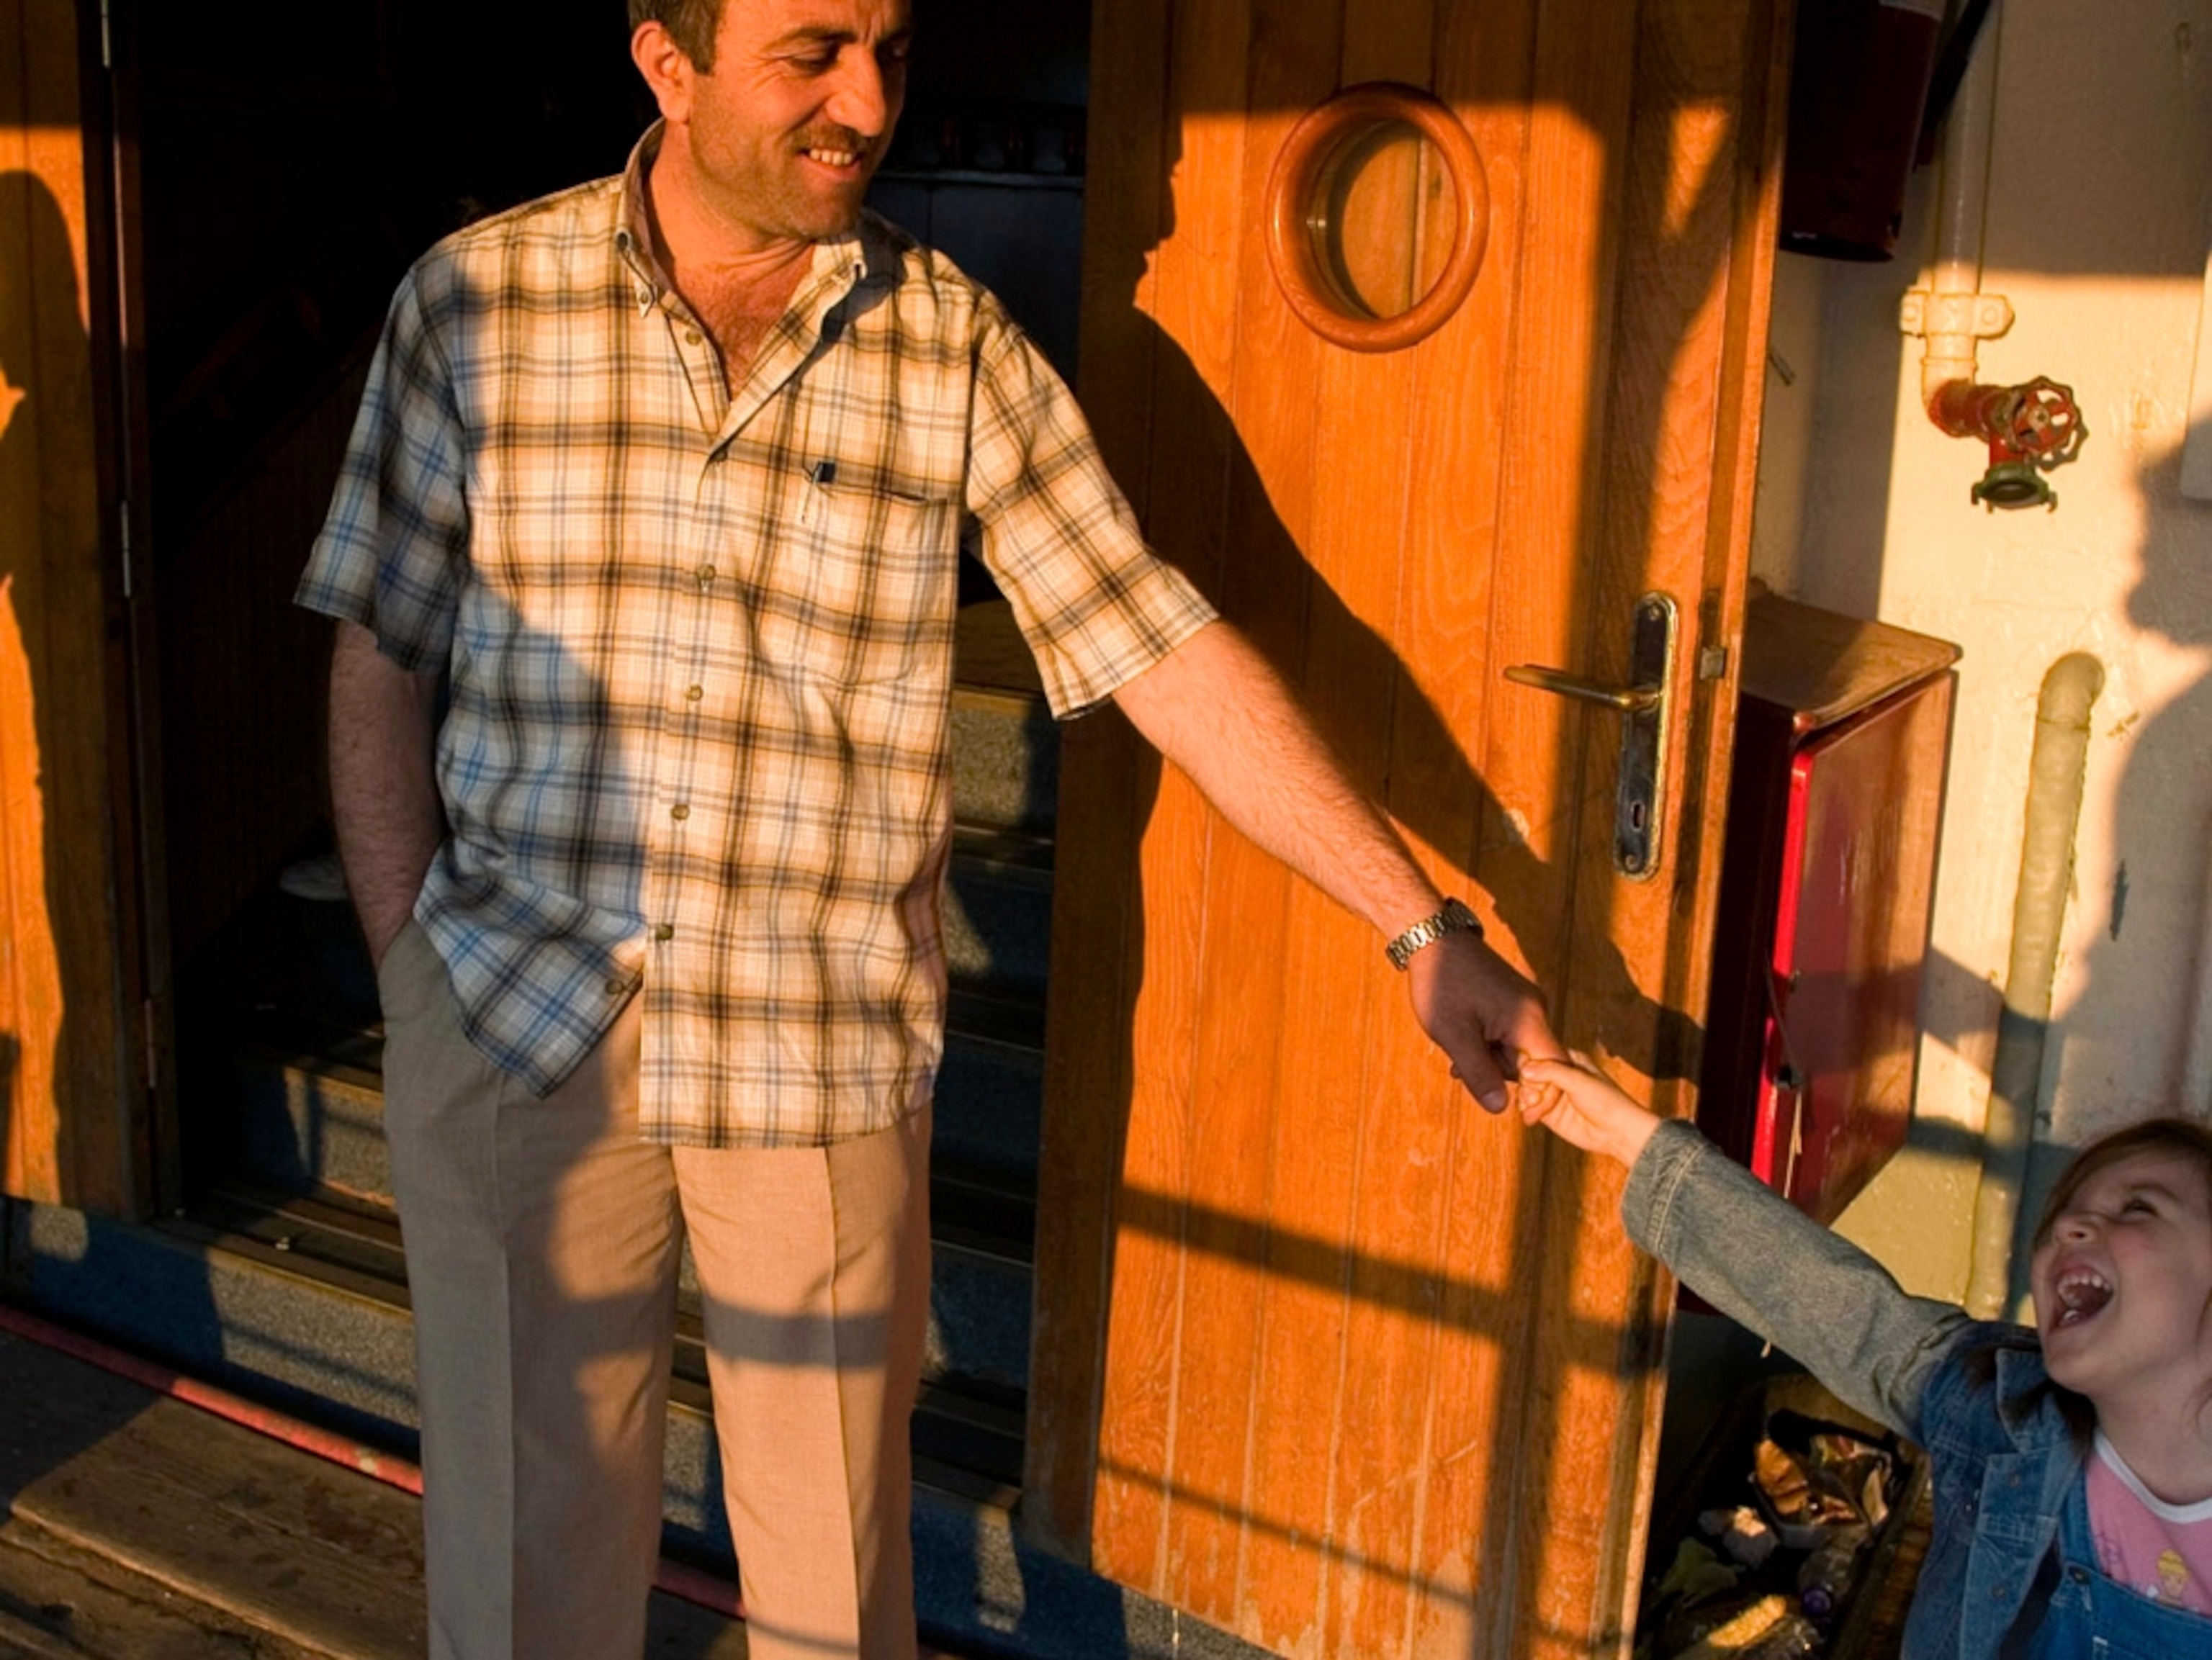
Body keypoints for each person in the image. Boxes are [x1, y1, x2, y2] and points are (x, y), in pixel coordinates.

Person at [295, 1, 1560, 1655]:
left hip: (814, 1054)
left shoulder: (944, 339)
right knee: (521, 1575)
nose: (866, 102)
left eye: (888, 47)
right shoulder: (472, 304)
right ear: (663, 64)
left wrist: (1418, 925)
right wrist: (410, 982)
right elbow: (377, 648)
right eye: (810, 52)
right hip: (514, 1028)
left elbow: (1150, 639)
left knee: (833, 1587)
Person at [1519, 1052, 2212, 1658]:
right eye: (2066, 1212)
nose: (2066, 1225)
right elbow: (1843, 1314)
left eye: (2139, 1209)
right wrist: (1634, 1142)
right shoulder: (2010, 1413)